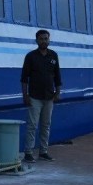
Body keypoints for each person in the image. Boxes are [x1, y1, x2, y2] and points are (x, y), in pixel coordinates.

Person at [20, 29, 62, 162]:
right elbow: (24, 78)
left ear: (49, 40)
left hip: (49, 96)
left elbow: (57, 76)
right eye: (41, 39)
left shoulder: (53, 56)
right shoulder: (31, 56)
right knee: (32, 125)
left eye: (46, 39)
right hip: (34, 96)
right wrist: (25, 95)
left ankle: (43, 151)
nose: (44, 41)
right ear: (36, 40)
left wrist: (58, 92)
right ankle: (28, 152)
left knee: (46, 125)